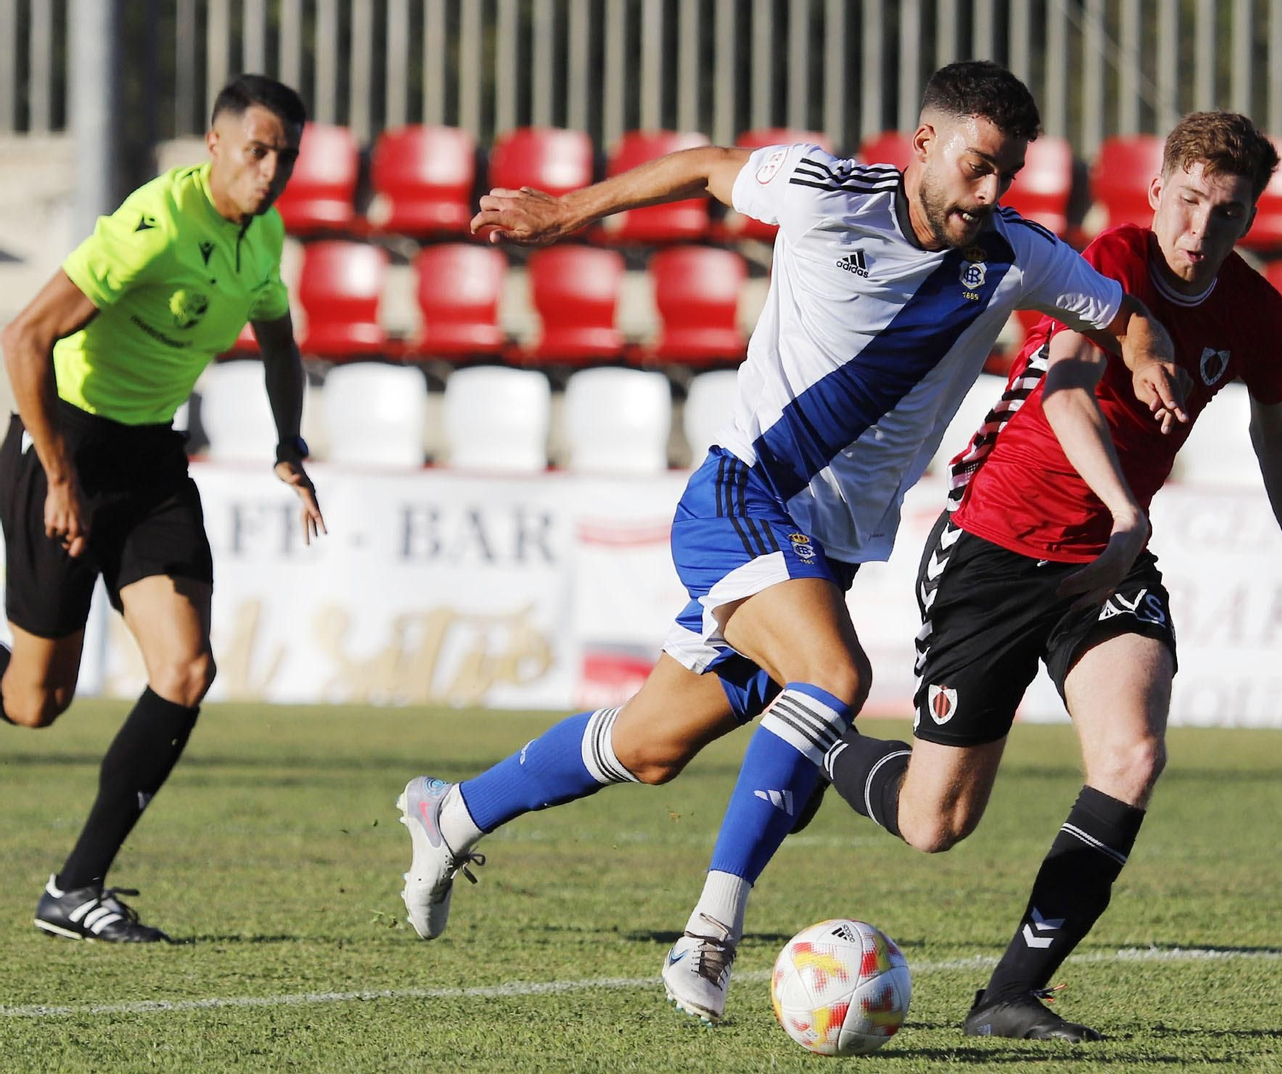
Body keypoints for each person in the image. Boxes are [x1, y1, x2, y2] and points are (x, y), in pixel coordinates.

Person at [394, 60, 1178, 1025]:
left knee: (648, 747)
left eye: (1007, 174)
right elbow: (704, 167)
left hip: (826, 552)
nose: (990, 191)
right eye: (977, 166)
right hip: (741, 496)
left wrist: (1146, 357)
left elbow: (1120, 313)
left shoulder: (1016, 254)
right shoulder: (822, 192)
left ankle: (451, 812)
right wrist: (566, 214)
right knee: (835, 678)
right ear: (924, 143)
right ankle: (710, 937)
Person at [815, 111, 1282, 1041]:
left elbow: (1276, 436)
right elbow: (1064, 389)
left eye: (1227, 214)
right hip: (994, 544)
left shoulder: (1256, 312)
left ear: (1250, 218)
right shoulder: (1108, 262)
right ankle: (813, 738)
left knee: (1132, 755)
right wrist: (1127, 509)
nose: (1200, 231)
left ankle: (1008, 997)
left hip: (1105, 558)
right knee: (935, 824)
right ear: (1157, 193)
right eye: (1188, 202)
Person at [0, 74, 325, 942]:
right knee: (37, 704)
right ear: (215, 145)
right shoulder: (154, 226)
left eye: (285, 156)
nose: (272, 171)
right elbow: (25, 337)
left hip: (148, 460)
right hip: (64, 445)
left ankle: (75, 888)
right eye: (257, 150)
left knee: (185, 670)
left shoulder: (263, 237)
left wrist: (289, 443)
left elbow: (280, 340)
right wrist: (61, 476)